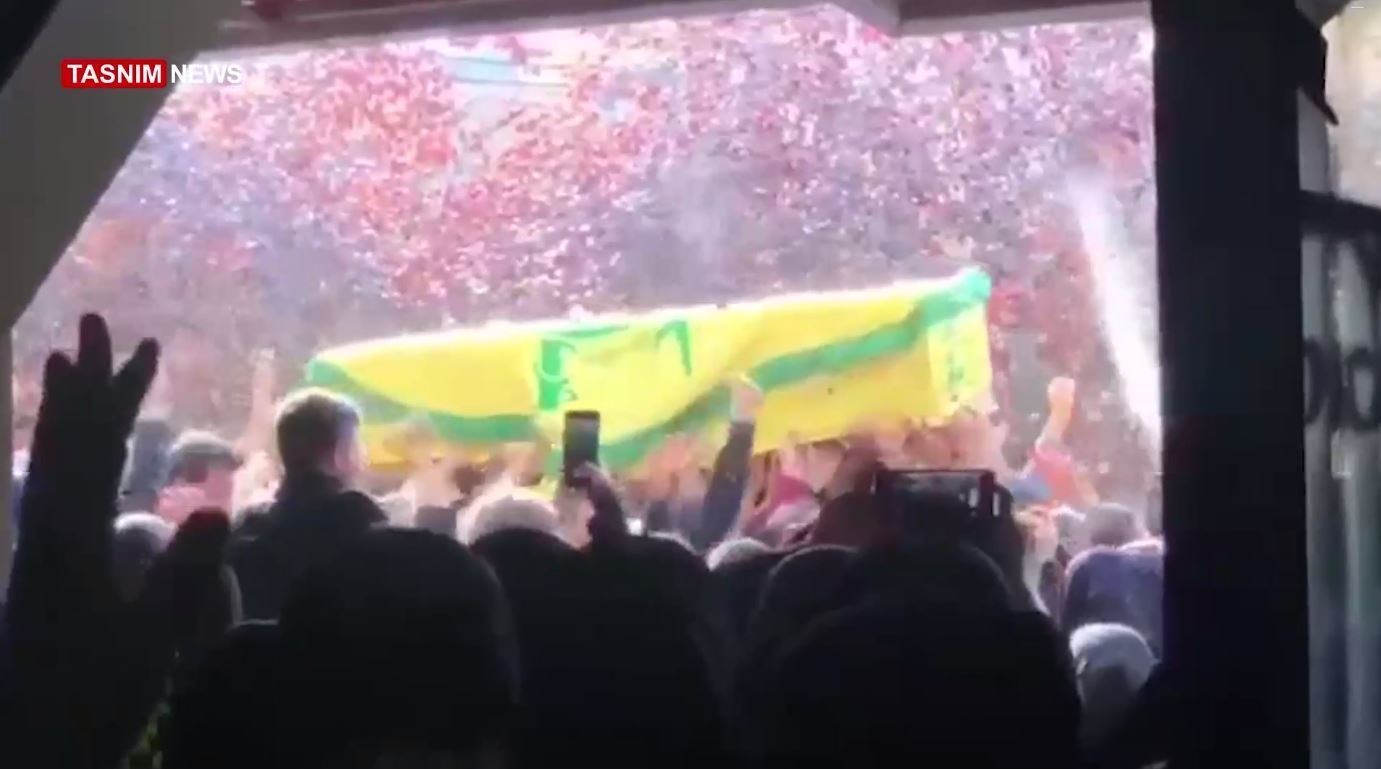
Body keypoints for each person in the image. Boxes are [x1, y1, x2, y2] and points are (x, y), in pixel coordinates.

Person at [228, 388, 385, 621]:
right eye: (357, 445)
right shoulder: (359, 519)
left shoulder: (247, 526)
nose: (364, 458)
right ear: (341, 454)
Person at [155, 430, 241, 525]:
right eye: (216, 465)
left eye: (227, 467)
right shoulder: (176, 501)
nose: (225, 478)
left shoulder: (234, 509)